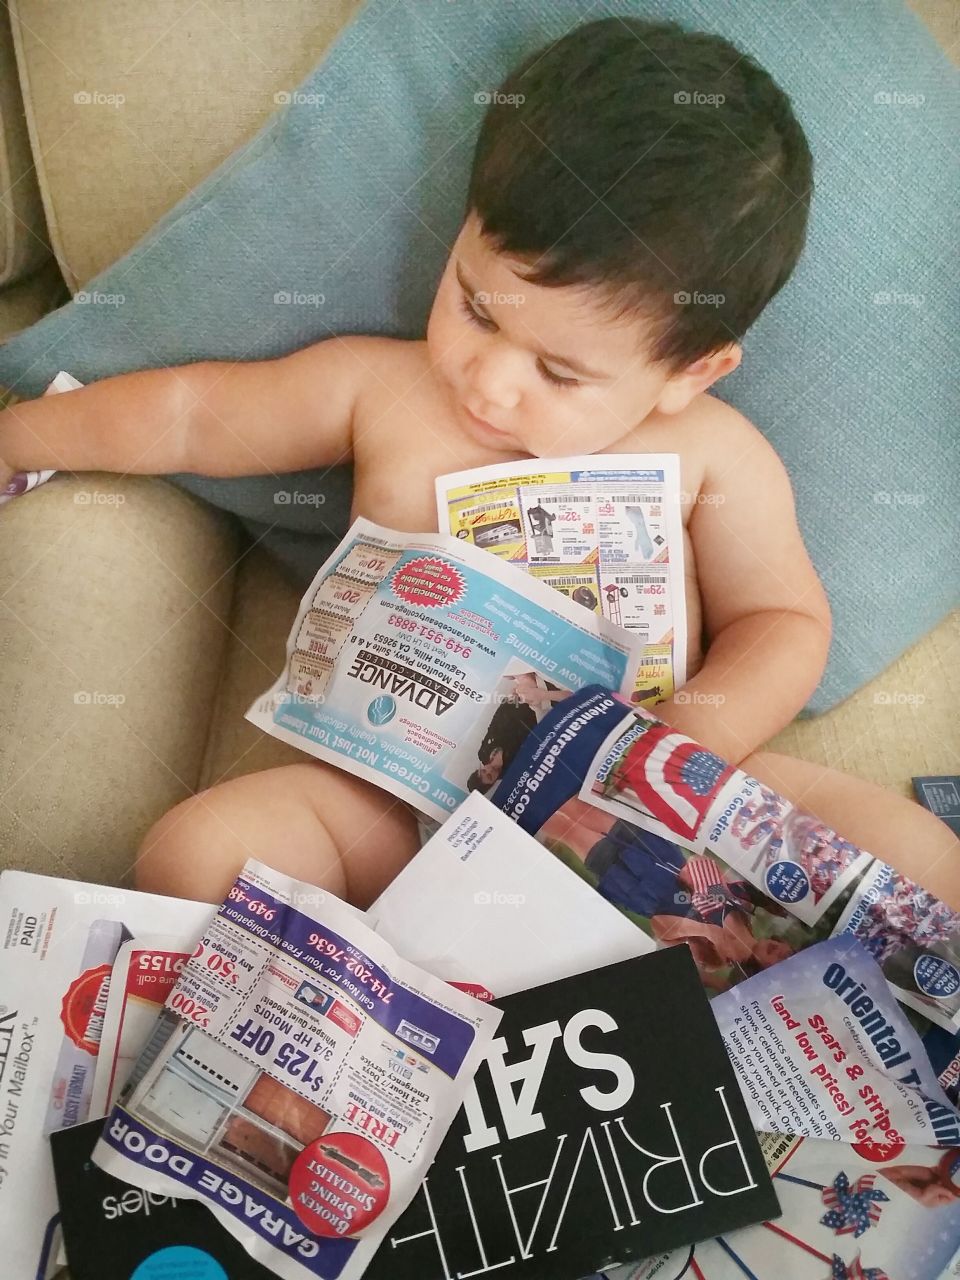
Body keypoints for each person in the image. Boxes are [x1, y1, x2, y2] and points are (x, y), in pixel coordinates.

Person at [2, 19, 957, 910]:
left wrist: (689, 741)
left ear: (688, 371)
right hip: (399, 814)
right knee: (196, 851)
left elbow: (783, 621)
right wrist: (25, 435)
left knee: (927, 863)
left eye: (559, 371)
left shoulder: (711, 452)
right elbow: (189, 418)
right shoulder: (382, 391)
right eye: (475, 307)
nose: (490, 386)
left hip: (646, 818)